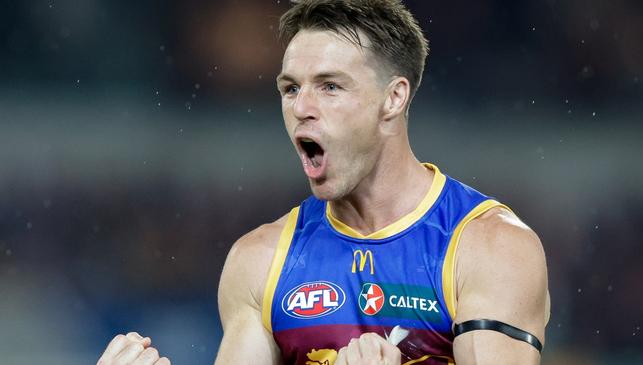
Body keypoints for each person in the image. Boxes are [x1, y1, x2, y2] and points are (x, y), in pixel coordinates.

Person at [97, 0, 550, 364]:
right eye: (291, 88)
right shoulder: (260, 261)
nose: (301, 107)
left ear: (393, 97)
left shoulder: (488, 248)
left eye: (330, 86)